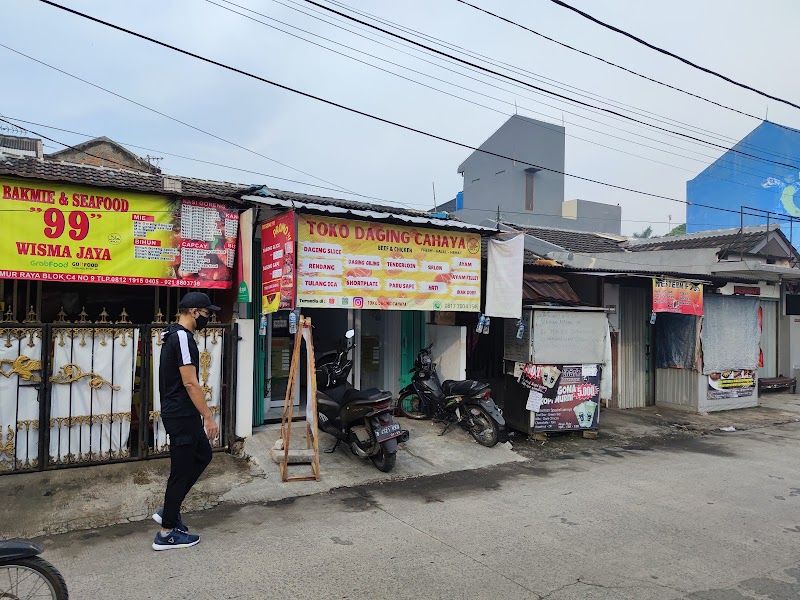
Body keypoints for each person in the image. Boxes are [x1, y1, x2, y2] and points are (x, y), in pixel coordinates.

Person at [151, 292, 221, 551]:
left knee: (203, 454)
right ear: (193, 312)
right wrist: (209, 416)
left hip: (182, 413)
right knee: (181, 469)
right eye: (206, 313)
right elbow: (190, 382)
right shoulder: (181, 337)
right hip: (181, 414)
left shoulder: (175, 335)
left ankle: (169, 509)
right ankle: (166, 532)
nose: (208, 317)